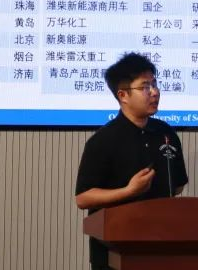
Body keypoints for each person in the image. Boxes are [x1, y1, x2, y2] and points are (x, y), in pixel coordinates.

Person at [74, 52, 189, 270]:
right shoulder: (103, 140)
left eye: (154, 84)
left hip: (161, 247)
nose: (154, 92)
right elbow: (83, 198)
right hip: (114, 252)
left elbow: (178, 185)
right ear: (123, 95)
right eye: (145, 87)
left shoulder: (166, 133)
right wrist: (129, 191)